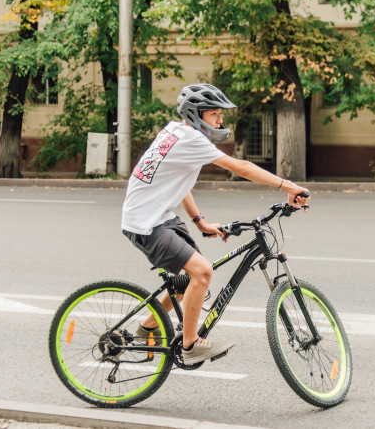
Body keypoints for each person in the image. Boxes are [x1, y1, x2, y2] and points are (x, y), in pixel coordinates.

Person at [121, 83, 310, 365]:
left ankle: (148, 326)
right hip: (146, 223)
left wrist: (200, 222)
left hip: (158, 216)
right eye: (215, 114)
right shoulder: (190, 140)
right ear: (197, 114)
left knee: (188, 282)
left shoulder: (175, 132)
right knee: (203, 272)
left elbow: (177, 181)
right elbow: (241, 167)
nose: (221, 120)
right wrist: (288, 186)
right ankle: (190, 345)